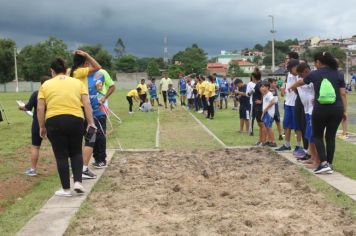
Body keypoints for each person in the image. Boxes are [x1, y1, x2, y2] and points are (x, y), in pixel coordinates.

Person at [37, 58, 95, 197]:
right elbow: (86, 104)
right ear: (65, 69)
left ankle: (65, 189)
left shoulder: (45, 85)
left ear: (52, 71)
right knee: (76, 152)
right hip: (75, 119)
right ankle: (78, 182)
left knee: (61, 156)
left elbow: (40, 107)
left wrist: (41, 126)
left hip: (54, 121)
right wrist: (91, 122)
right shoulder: (77, 82)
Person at [289, 52, 347, 174]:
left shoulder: (315, 74)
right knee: (331, 137)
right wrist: (344, 110)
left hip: (321, 108)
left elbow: (300, 82)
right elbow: (342, 93)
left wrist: (291, 86)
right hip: (337, 108)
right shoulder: (339, 74)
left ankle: (323, 163)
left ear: (318, 62)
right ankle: (329, 164)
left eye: (315, 62)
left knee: (317, 136)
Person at [69, 50, 101, 179]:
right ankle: (83, 168)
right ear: (84, 63)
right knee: (91, 136)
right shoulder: (80, 72)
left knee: (76, 140)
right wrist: (87, 55)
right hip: (82, 108)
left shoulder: (68, 72)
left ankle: (77, 168)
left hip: (71, 108)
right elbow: (98, 67)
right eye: (87, 62)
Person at [19, 75, 51, 176]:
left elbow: (28, 107)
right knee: (58, 145)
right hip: (52, 122)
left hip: (38, 122)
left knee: (35, 147)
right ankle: (67, 165)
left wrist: (21, 107)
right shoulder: (54, 94)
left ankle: (33, 169)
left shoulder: (36, 94)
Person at [294, 63, 319, 168]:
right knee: (309, 136)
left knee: (314, 137)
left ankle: (316, 161)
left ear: (306, 71)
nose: (300, 77)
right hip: (307, 110)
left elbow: (299, 83)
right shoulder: (306, 79)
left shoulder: (312, 78)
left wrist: (292, 86)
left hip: (313, 110)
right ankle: (312, 158)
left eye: (300, 74)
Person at [276, 59, 303, 152]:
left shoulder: (299, 74)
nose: (289, 70)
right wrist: (283, 89)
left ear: (295, 67)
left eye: (289, 67)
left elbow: (299, 85)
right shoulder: (289, 74)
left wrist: (292, 88)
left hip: (296, 103)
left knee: (297, 126)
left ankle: (299, 145)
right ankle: (287, 144)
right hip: (288, 102)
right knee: (286, 125)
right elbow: (286, 86)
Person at [248, 68, 264, 146]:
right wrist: (250, 93)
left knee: (261, 125)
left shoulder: (259, 84)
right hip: (256, 106)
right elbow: (253, 92)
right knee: (260, 125)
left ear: (254, 77)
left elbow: (263, 93)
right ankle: (260, 140)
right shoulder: (257, 84)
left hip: (259, 107)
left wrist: (261, 101)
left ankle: (263, 141)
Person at [261, 80, 277, 147]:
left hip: (269, 113)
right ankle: (269, 140)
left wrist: (266, 109)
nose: (262, 88)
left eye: (263, 87)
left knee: (269, 127)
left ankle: (273, 141)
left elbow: (273, 101)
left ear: (267, 87)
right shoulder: (265, 94)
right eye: (261, 87)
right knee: (266, 127)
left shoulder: (269, 94)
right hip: (266, 112)